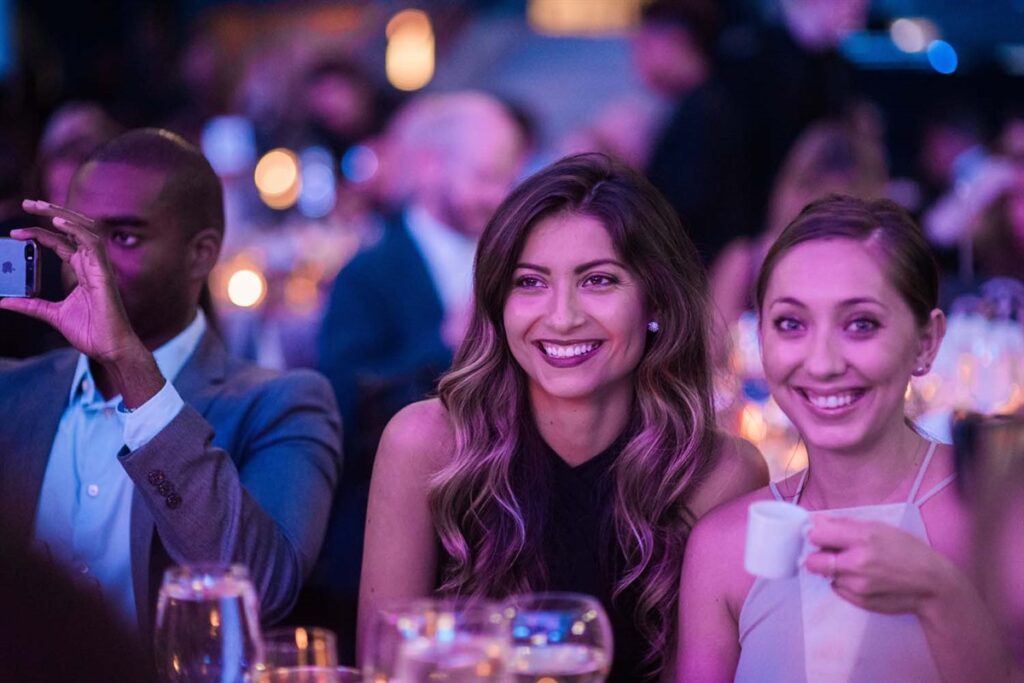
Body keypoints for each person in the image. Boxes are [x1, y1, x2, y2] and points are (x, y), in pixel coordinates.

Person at [358, 153, 767, 681]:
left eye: (598, 280)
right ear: (498, 303)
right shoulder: (425, 444)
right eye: (530, 283)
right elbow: (387, 668)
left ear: (657, 303)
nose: (562, 317)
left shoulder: (720, 474)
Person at [0, 129, 340, 647]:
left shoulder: (282, 402)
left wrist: (130, 367)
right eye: (76, 237)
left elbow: (261, 589)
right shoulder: (12, 392)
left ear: (201, 254)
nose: (89, 263)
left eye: (123, 238)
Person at [676, 194, 1022, 682]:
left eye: (861, 324)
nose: (823, 363)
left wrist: (937, 593)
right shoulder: (722, 546)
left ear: (926, 343)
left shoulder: (997, 506)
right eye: (791, 324)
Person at [310, 91, 529, 658]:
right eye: (485, 176)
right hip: (393, 527)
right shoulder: (368, 274)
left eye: (508, 179)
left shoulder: (522, 260)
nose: (500, 196)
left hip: (507, 529)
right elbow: (341, 410)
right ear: (430, 167)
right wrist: (445, 341)